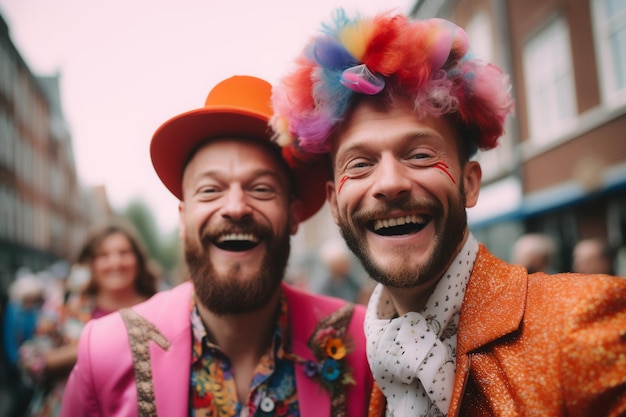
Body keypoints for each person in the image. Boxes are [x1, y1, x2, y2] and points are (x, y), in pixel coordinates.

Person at [270, 9, 626, 416]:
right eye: (360, 164)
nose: (389, 183)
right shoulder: (360, 366)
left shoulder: (577, 325)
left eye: (420, 155)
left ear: (470, 182)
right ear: (334, 203)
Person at [60, 75, 372, 417]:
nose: (235, 207)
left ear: (293, 214)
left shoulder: (363, 341)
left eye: (261, 188)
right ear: (183, 219)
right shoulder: (105, 350)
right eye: (210, 190)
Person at [20, 222, 158, 417]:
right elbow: (30, 362)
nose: (115, 262)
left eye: (124, 252)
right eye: (104, 255)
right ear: (91, 263)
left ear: (138, 259)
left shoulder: (158, 307)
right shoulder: (64, 305)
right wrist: (90, 348)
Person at [2, 272, 45, 417]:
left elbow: (32, 334)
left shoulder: (32, 311)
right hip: (13, 360)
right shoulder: (14, 310)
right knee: (15, 395)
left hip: (26, 358)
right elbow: (8, 336)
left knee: (26, 395)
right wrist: (15, 360)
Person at [310, 237, 363, 303]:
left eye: (345, 262)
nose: (346, 266)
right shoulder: (322, 284)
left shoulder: (352, 280)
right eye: (341, 263)